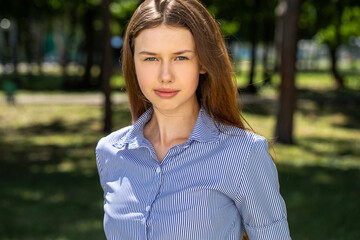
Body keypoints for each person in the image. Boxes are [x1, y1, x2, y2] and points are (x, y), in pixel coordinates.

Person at [95, 0, 291, 239]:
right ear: (132, 63)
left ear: (203, 62)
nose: (165, 76)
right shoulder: (111, 152)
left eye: (181, 58)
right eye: (150, 58)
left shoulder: (244, 154)